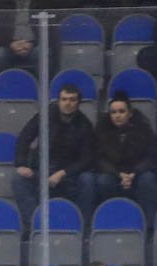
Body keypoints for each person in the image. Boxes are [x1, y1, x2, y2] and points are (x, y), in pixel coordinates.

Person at [10, 82, 96, 232]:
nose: (67, 103)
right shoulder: (45, 116)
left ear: (78, 103)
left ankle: (82, 227)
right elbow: (24, 137)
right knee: (18, 178)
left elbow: (86, 159)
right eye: (64, 99)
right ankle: (35, 225)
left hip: (69, 177)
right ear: (58, 101)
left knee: (88, 179)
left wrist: (62, 173)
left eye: (72, 100)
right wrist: (21, 164)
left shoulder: (85, 125)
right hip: (42, 172)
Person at [93, 96, 157, 222]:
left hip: (139, 172)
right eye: (113, 112)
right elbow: (99, 159)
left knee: (148, 179)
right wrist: (118, 174)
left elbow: (151, 156)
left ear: (130, 113)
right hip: (114, 172)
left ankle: (150, 224)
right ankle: (110, 220)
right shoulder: (101, 131)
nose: (117, 115)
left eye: (121, 111)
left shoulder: (144, 130)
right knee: (103, 181)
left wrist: (134, 173)